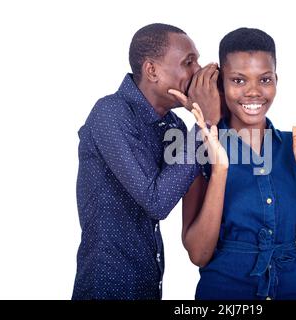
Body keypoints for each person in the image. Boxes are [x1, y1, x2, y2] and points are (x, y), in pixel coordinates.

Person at [182, 27, 296, 300]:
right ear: (222, 84)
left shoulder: (295, 146)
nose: (253, 92)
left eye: (264, 80)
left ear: (276, 80)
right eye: (238, 81)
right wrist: (220, 171)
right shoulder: (200, 148)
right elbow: (198, 254)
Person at [72, 23, 220, 300]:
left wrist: (209, 112)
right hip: (105, 289)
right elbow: (157, 200)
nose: (197, 70)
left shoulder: (172, 125)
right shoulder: (110, 113)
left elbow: (209, 171)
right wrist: (205, 121)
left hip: (149, 288)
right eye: (189, 62)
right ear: (152, 70)